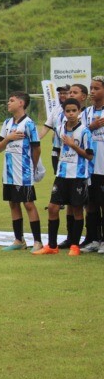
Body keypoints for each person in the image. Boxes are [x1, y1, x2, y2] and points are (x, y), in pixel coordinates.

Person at [34, 98, 93, 257]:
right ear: (64, 112)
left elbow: (89, 156)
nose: (71, 113)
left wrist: (73, 145)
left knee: (76, 210)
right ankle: (52, 246)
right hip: (61, 175)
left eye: (74, 110)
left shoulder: (84, 131)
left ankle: (75, 245)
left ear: (79, 112)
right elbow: (58, 150)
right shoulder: (60, 129)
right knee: (53, 208)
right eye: (68, 111)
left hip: (78, 176)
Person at [0, 92, 42, 253]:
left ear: (21, 103)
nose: (8, 103)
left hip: (24, 172)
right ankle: (19, 239)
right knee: (13, 203)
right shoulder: (7, 123)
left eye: (11, 100)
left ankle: (37, 241)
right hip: (8, 172)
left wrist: (33, 167)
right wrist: (8, 138)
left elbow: (37, 148)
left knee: (28, 203)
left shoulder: (29, 124)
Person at [82, 77, 104, 254]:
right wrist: (92, 126)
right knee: (91, 204)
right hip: (90, 168)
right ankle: (94, 238)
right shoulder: (86, 112)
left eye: (96, 88)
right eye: (91, 88)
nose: (92, 91)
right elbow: (79, 133)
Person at [40, 85, 70, 174]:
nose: (62, 95)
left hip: (70, 148)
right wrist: (35, 139)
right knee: (58, 174)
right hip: (56, 148)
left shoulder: (76, 110)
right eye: (60, 93)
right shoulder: (56, 109)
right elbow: (46, 127)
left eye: (65, 93)